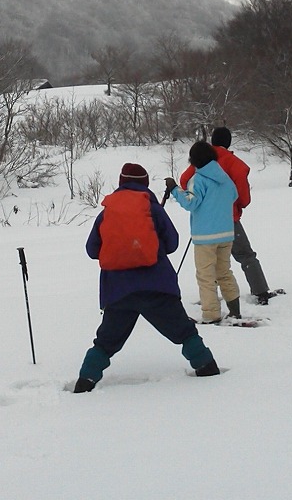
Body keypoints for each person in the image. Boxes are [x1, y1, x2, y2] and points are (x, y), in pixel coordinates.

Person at [73, 162, 219, 392]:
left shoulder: (107, 212)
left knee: (105, 342)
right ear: (146, 183)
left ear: (121, 182)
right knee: (184, 331)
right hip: (157, 287)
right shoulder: (152, 208)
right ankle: (207, 367)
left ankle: (84, 382)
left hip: (118, 291)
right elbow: (172, 243)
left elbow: (92, 250)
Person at [179, 127, 277, 305]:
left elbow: (185, 180)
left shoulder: (201, 159)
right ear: (229, 142)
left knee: (209, 261)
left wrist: (201, 201)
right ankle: (260, 290)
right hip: (228, 219)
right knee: (245, 255)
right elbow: (243, 197)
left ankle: (210, 298)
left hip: (205, 222)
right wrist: (236, 206)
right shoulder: (234, 163)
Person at [164, 140, 242, 324]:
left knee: (206, 276)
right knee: (224, 272)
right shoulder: (224, 178)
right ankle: (235, 310)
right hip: (226, 233)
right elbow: (234, 196)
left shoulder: (198, 179)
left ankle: (211, 314)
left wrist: (175, 189)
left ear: (194, 160)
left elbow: (190, 203)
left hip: (205, 237)